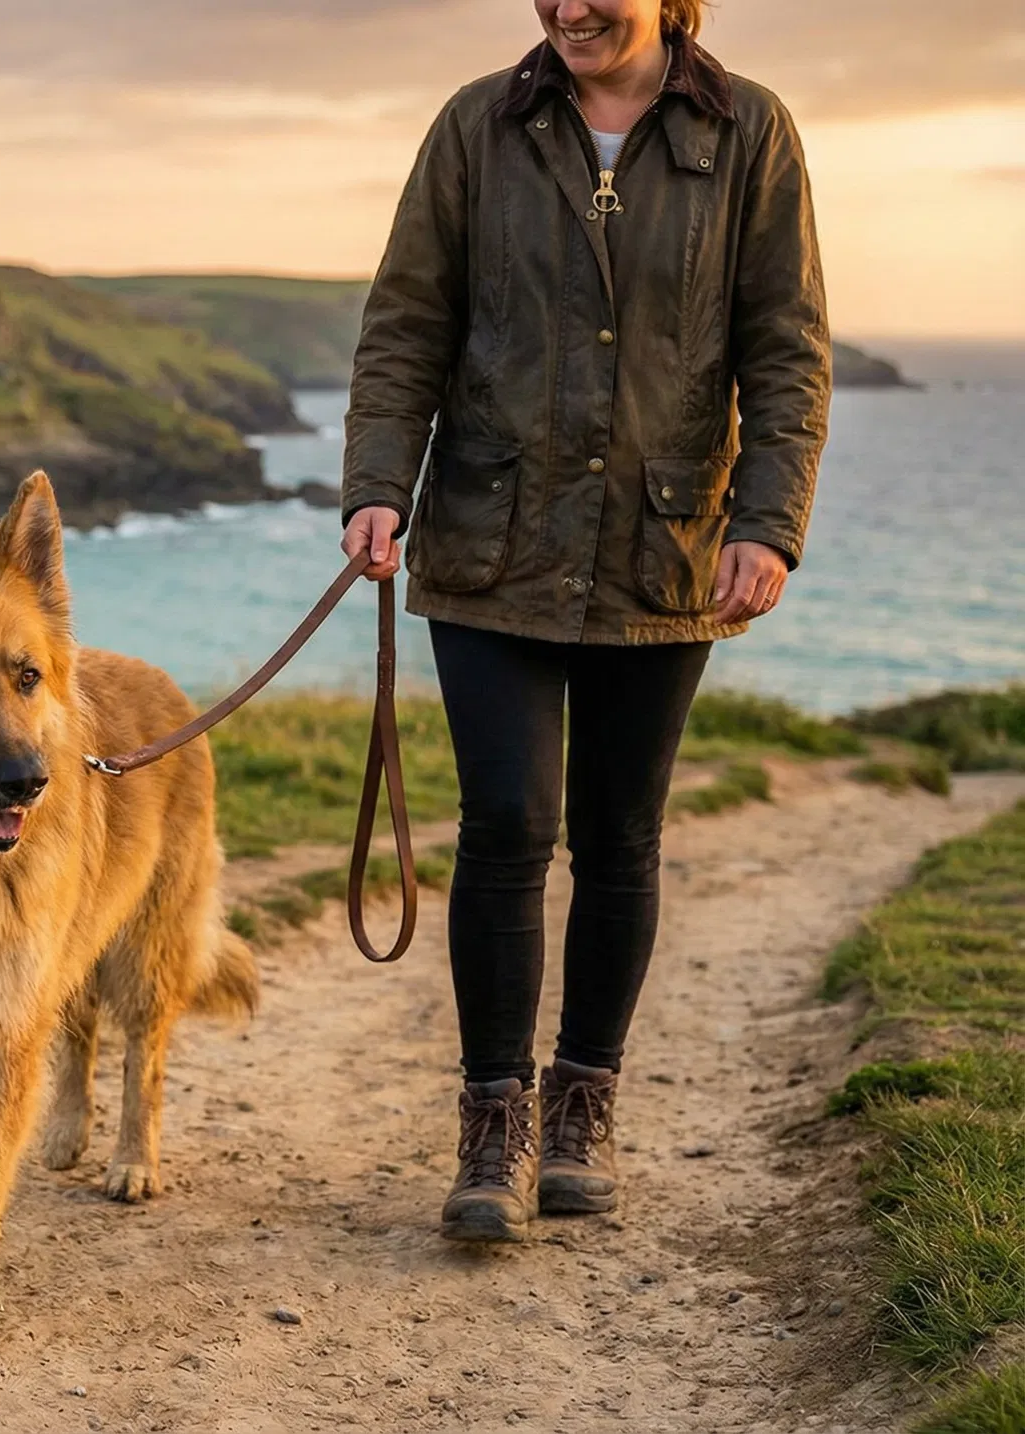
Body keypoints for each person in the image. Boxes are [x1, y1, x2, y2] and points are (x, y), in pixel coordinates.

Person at [339, 0, 830, 1242]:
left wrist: (767, 521)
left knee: (620, 836)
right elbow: (407, 325)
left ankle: (583, 1105)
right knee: (506, 824)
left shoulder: (752, 133)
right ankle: (493, 1122)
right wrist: (377, 487)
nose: (569, 7)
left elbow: (785, 349)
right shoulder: (475, 127)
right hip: (488, 537)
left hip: (661, 545)